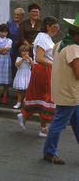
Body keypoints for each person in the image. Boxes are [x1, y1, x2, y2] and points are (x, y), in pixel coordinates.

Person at [43, 13, 79, 165]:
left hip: (62, 91)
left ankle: (49, 151)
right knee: (58, 123)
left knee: (77, 122)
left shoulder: (59, 44)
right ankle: (49, 152)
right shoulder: (74, 48)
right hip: (70, 93)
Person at [18, 16, 60, 137]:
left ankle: (26, 115)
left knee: (40, 98)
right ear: (48, 26)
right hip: (43, 70)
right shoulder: (43, 37)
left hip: (43, 69)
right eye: (55, 26)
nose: (57, 29)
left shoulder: (45, 37)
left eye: (58, 27)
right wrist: (54, 65)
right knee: (47, 98)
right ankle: (42, 128)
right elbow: (39, 58)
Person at [12, 45, 33, 109]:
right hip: (21, 74)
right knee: (19, 90)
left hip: (27, 75)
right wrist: (22, 60)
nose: (25, 53)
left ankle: (25, 102)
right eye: (23, 51)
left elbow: (33, 65)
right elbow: (16, 65)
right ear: (20, 52)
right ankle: (18, 103)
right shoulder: (19, 58)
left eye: (26, 51)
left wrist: (28, 59)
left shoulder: (30, 58)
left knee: (27, 90)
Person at [7, 8, 24, 78]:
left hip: (22, 49)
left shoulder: (24, 24)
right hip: (11, 48)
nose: (16, 16)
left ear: (22, 16)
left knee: (21, 66)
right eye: (15, 14)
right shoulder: (9, 24)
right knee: (11, 65)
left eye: (18, 14)